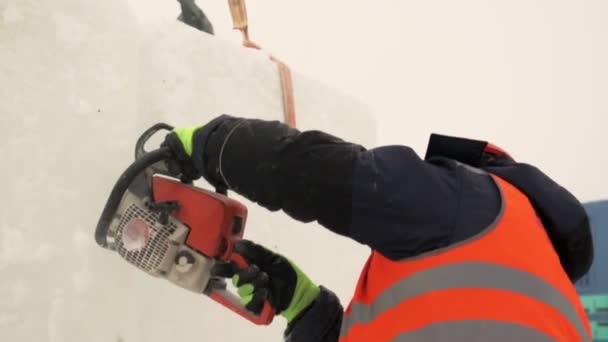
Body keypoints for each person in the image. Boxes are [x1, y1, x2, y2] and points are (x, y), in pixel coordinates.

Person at [160, 114, 594, 342]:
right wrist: (305, 308)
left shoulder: (482, 204)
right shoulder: (562, 315)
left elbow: (323, 176)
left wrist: (209, 143)